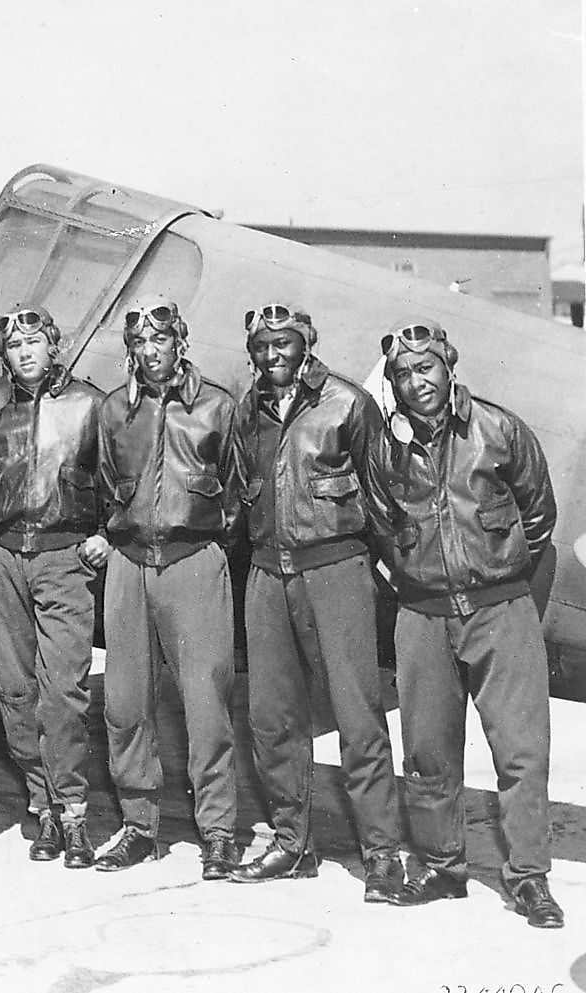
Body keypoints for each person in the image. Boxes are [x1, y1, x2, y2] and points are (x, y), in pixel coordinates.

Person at [366, 320, 562, 927]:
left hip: (500, 611)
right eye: (402, 373)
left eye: (425, 367)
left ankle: (529, 878)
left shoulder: (499, 429)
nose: (415, 381)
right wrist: (420, 579)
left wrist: (495, 576)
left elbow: (538, 514)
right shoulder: (384, 446)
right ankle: (443, 867)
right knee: (426, 751)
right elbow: (377, 522)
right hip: (422, 615)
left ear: (449, 367)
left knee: (521, 751)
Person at [228, 303, 402, 903]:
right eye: (263, 345)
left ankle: (381, 854)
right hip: (267, 573)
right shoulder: (246, 411)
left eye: (285, 343)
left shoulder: (348, 404)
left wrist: (382, 574)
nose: (274, 354)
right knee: (272, 717)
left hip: (335, 569)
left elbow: (383, 498)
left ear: (306, 344)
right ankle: (292, 842)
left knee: (357, 715)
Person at [95, 299, 242, 879]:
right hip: (130, 565)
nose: (150, 352)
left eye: (160, 339)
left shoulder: (216, 407)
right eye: (139, 344)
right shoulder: (115, 411)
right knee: (125, 703)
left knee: (206, 705)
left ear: (180, 340)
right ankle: (137, 826)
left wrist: (201, 546)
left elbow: (238, 492)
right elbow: (108, 484)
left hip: (194, 561)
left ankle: (220, 832)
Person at [0, 304, 106, 869]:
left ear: (54, 345)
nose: (25, 352)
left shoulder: (89, 405)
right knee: (15, 693)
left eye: (35, 342)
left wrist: (105, 532)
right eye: (14, 345)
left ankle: (73, 810)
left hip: (62, 559)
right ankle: (43, 809)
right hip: (4, 558)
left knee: (64, 694)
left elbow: (119, 477)